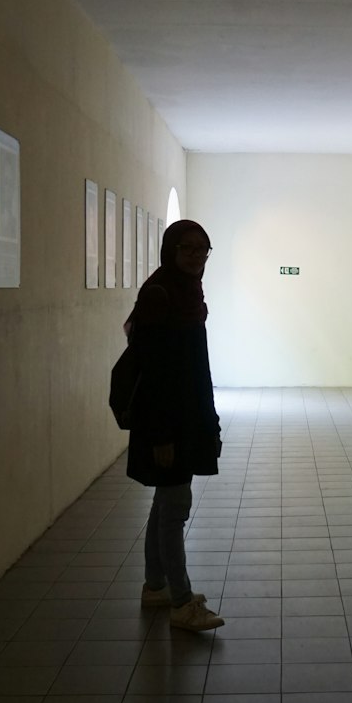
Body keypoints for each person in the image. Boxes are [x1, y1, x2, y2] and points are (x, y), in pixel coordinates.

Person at [125, 219, 224, 631]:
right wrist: (162, 433)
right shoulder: (160, 294)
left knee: (165, 502)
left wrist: (208, 420)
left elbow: (193, 367)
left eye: (203, 249)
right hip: (166, 421)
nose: (196, 255)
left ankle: (156, 586)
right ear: (171, 249)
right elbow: (153, 370)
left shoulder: (186, 292)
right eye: (187, 248)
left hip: (184, 416)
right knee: (175, 508)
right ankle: (181, 602)